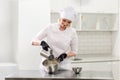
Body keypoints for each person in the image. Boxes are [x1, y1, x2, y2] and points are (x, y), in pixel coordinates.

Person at [31, 7, 78, 71]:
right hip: (48, 64)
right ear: (60, 19)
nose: (66, 24)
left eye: (69, 22)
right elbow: (33, 41)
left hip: (64, 65)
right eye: (64, 20)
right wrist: (41, 43)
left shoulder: (72, 32)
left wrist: (65, 55)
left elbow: (74, 52)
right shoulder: (50, 27)